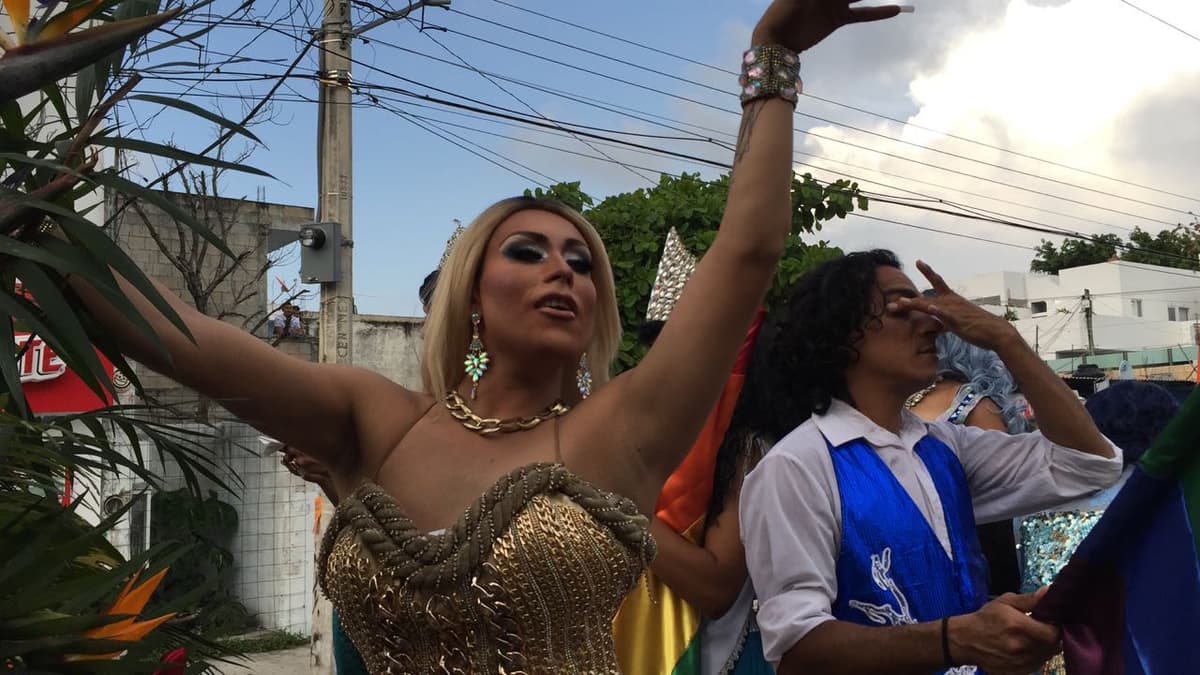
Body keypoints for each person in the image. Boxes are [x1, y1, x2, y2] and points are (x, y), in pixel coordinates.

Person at [62, 3, 905, 670]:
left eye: (582, 263)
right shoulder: (376, 420)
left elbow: (748, 249)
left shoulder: (619, 432)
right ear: (471, 293)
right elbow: (172, 337)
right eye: (529, 252)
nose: (563, 272)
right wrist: (43, 235)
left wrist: (771, 59)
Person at [740, 250, 1123, 674]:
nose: (933, 323)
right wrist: (958, 638)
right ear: (844, 334)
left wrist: (1005, 340)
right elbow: (798, 648)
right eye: (904, 309)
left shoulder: (944, 446)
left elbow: (1091, 463)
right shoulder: (797, 467)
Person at [907, 331, 1027, 597]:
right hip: (939, 540)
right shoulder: (975, 404)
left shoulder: (974, 404)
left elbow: (999, 482)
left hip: (970, 540)